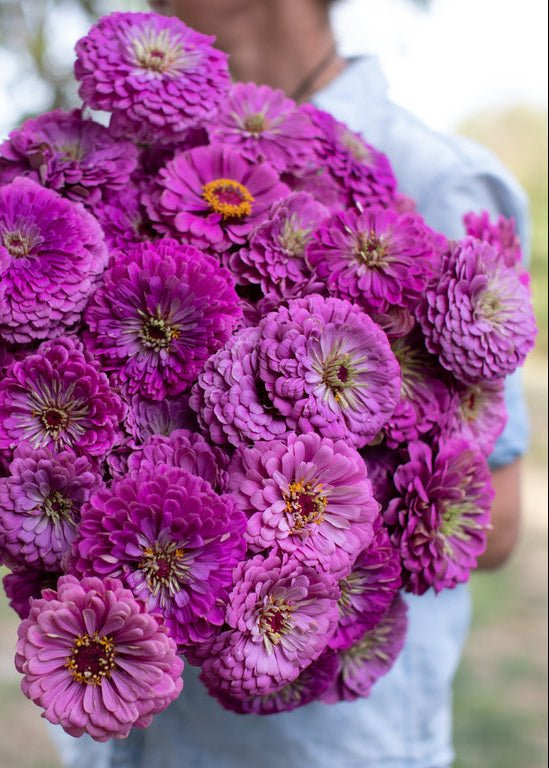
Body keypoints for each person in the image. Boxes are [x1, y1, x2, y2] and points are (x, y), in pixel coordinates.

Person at [49, 0, 530, 766]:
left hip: (320, 746)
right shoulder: (138, 163)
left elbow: (495, 524)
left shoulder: (435, 175)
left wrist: (281, 532)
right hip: (137, 726)